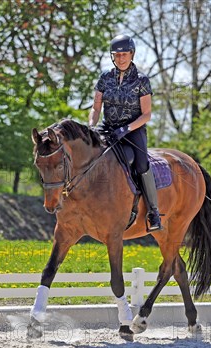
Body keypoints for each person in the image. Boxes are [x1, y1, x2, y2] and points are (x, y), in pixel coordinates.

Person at [88, 34, 161, 232]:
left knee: (141, 163)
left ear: (132, 54)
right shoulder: (105, 78)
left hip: (133, 130)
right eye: (117, 54)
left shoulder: (142, 80)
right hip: (107, 128)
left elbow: (146, 115)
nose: (121, 58)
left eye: (124, 54)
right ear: (113, 56)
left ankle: (153, 212)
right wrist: (91, 126)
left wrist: (126, 128)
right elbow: (96, 108)